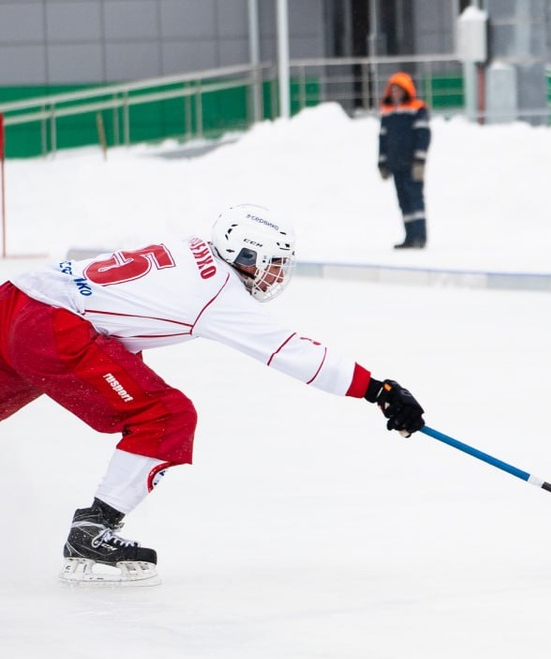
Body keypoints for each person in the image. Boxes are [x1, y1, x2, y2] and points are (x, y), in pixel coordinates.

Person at [0, 204, 427, 586]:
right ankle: (94, 528)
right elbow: (290, 351)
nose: (278, 275)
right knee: (166, 417)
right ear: (244, 256)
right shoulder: (219, 292)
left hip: (18, 298)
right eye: (273, 264)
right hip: (51, 327)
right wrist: (378, 390)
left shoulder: (190, 248)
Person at [378, 71, 431, 249]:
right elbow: (383, 139)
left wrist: (420, 160)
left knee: (415, 198)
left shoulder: (417, 109)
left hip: (412, 163)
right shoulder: (388, 112)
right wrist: (382, 162)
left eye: (398, 90)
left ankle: (419, 237)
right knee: (403, 201)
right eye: (392, 90)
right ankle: (409, 237)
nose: (395, 93)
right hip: (396, 164)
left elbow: (423, 136)